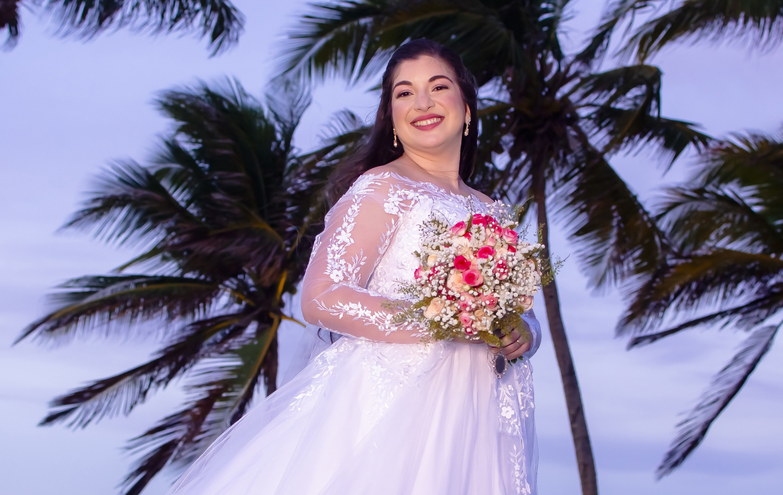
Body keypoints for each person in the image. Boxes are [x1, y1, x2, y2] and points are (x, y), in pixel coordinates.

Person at [169, 38, 541, 495]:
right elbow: (322, 296)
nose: (422, 102)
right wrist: (440, 318)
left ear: (466, 109)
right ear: (392, 119)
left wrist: (524, 331)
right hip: (391, 409)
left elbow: (520, 308)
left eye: (438, 87)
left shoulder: (495, 212)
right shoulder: (384, 187)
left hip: (479, 411)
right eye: (404, 93)